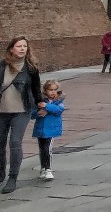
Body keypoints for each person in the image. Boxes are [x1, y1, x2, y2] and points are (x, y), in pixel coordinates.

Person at [0, 37, 45, 193]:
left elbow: (36, 88)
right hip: (2, 111)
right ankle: (1, 174)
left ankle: (12, 178)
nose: (22, 49)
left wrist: (40, 103)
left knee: (15, 142)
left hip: (21, 111)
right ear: (11, 48)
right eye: (18, 46)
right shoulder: (2, 65)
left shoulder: (31, 68)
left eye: (25, 46)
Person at [32, 79, 64, 182]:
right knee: (42, 150)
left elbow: (58, 110)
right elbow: (32, 114)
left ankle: (48, 169)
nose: (53, 92)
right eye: (50, 90)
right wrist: (39, 111)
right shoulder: (40, 101)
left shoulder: (59, 101)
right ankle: (43, 168)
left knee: (47, 149)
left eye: (55, 90)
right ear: (45, 91)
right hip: (40, 129)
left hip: (51, 130)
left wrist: (47, 107)